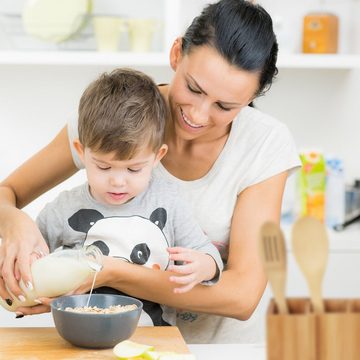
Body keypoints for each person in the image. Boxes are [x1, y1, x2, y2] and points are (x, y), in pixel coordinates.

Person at [0, 0, 301, 343]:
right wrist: (16, 225)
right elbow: (6, 194)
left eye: (225, 106)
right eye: (194, 88)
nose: (199, 115)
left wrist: (107, 272)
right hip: (115, 345)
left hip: (218, 349)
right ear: (176, 54)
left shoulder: (264, 143)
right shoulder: (112, 121)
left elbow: (242, 295)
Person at [4, 68, 223, 326]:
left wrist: (204, 266)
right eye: (104, 167)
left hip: (153, 338)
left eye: (134, 169)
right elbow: (34, 262)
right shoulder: (63, 210)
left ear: (157, 157)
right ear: (81, 152)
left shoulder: (168, 203)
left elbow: (210, 257)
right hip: (80, 335)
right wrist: (24, 276)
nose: (118, 181)